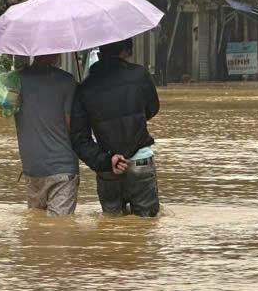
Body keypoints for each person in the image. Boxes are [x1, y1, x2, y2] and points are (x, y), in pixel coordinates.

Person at [71, 37, 161, 217]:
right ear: (126, 51)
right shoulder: (140, 75)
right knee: (146, 228)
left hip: (108, 166)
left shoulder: (85, 87)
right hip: (141, 161)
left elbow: (80, 139)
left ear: (101, 53)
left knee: (111, 226)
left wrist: (106, 160)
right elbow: (152, 108)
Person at [14, 53, 79, 216]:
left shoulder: (15, 81)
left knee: (37, 231)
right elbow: (71, 125)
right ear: (56, 54)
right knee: (60, 231)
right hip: (61, 166)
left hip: (31, 167)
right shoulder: (67, 81)